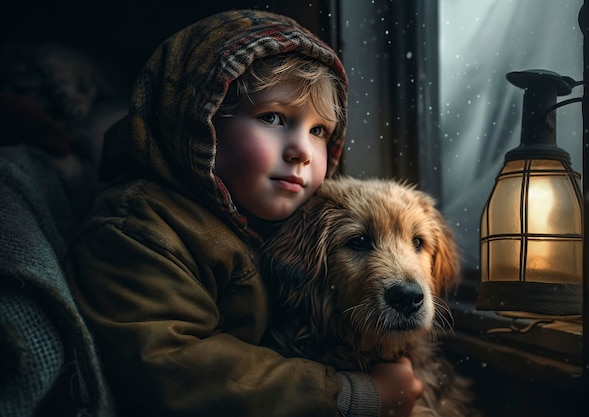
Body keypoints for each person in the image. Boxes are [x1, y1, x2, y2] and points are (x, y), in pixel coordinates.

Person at [64, 9, 422, 417]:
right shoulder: (138, 228)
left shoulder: (258, 217)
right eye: (272, 117)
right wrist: (351, 395)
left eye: (318, 130)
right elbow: (173, 368)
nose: (302, 150)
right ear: (198, 121)